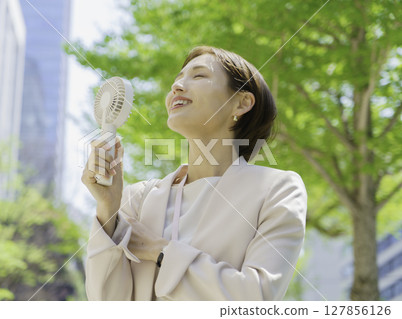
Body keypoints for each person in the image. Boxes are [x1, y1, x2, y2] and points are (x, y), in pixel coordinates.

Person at [81, 45, 307, 301]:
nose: (176, 86)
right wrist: (108, 208)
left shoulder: (276, 189)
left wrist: (160, 251)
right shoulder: (138, 198)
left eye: (198, 76)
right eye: (177, 79)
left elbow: (256, 298)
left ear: (242, 103)